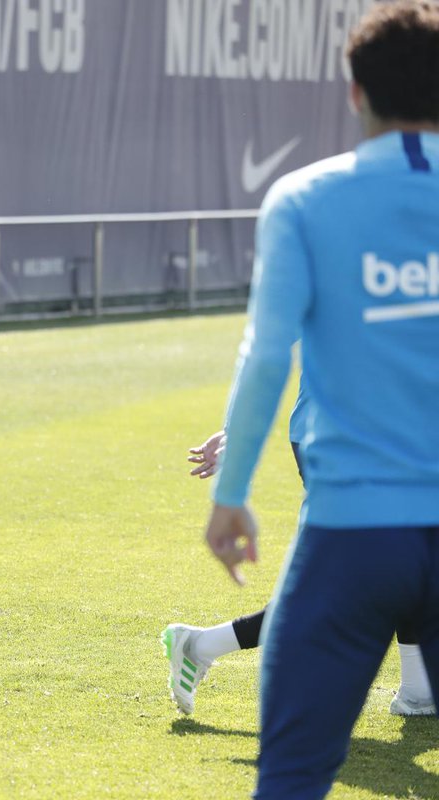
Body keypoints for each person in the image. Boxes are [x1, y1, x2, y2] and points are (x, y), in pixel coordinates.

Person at [203, 3, 439, 795]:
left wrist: (231, 496)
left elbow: (267, 355)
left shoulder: (304, 199)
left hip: (351, 539)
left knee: (294, 778)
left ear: (353, 91)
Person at [162, 385, 435, 716]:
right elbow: (268, 351)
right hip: (337, 439)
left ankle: (418, 690)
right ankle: (200, 645)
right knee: (349, 580)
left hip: (396, 436)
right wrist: (237, 430)